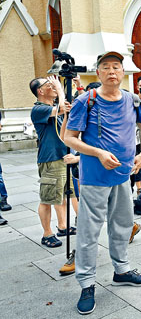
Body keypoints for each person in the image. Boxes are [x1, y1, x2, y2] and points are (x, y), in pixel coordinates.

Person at [64, 51, 141, 315]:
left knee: (123, 225)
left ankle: (121, 269)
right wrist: (98, 153)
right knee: (90, 232)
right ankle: (87, 283)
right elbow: (69, 138)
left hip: (123, 175)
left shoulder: (132, 100)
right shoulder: (85, 101)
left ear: (123, 72)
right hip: (94, 178)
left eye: (116, 67)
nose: (112, 71)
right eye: (106, 67)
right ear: (98, 72)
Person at [30, 75, 75, 248]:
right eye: (49, 84)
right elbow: (63, 108)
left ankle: (62, 226)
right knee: (47, 198)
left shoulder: (53, 107)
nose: (53, 86)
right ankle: (47, 233)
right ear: (40, 91)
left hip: (63, 156)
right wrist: (61, 88)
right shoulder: (38, 109)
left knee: (64, 195)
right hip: (50, 159)